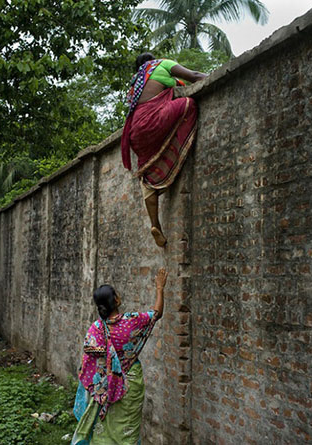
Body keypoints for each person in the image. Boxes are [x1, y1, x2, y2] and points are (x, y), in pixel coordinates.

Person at [71, 268, 168, 445]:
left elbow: (87, 364)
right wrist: (160, 288)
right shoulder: (132, 321)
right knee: (127, 430)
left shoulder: (95, 329)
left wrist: (102, 381)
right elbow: (157, 313)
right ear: (115, 300)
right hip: (130, 384)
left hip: (106, 389)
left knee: (105, 428)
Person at [121, 52, 206, 247]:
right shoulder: (162, 64)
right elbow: (193, 75)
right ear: (153, 60)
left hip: (135, 133)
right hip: (153, 121)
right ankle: (174, 156)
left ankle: (155, 224)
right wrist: (209, 77)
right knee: (189, 104)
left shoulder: (136, 82)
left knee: (146, 173)